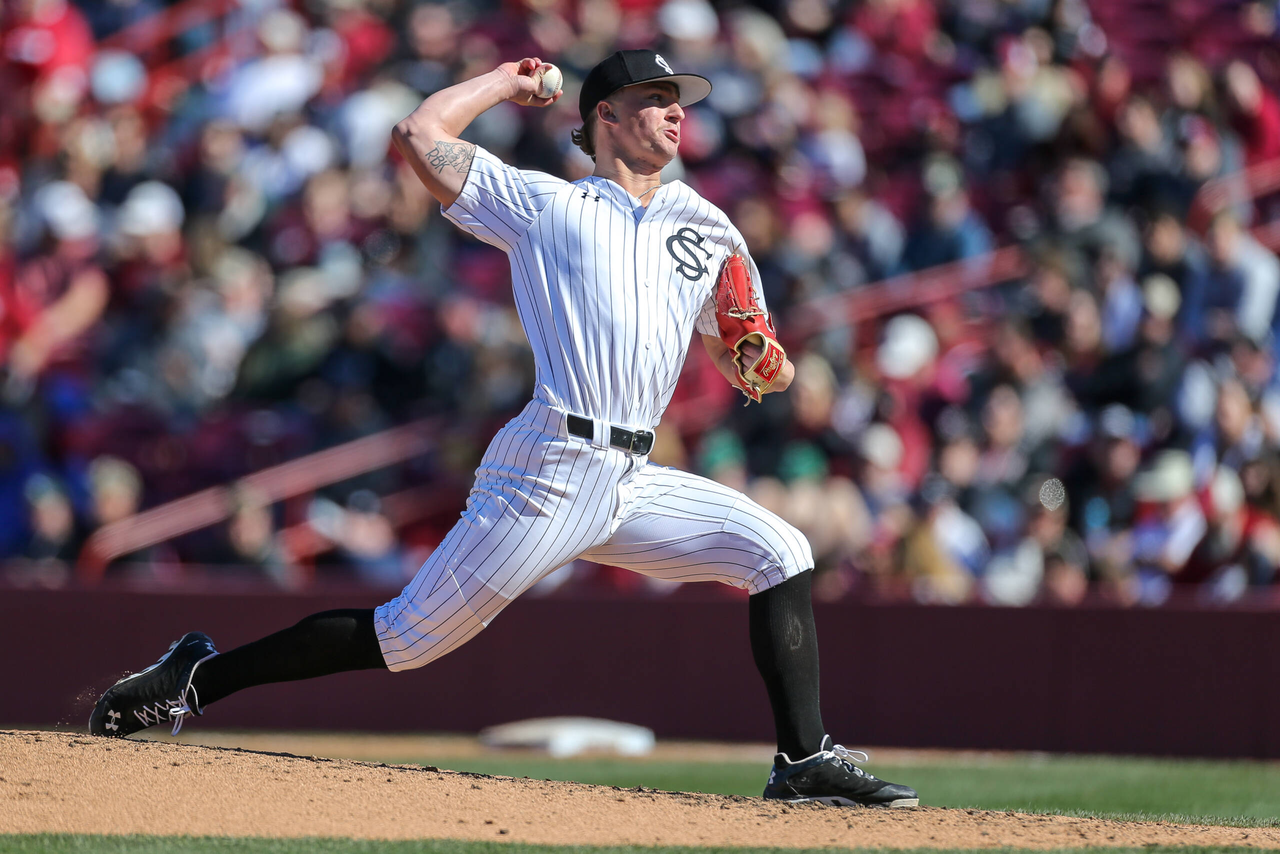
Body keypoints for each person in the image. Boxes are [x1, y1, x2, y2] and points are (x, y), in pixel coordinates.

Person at [88, 50, 918, 809]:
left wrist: (761, 364)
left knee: (782, 552)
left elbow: (754, 354)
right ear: (605, 117)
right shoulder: (543, 205)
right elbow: (419, 134)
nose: (676, 113)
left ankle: (803, 760)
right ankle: (194, 678)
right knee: (407, 639)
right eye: (655, 98)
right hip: (551, 463)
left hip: (633, 477)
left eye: (679, 101)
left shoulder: (709, 227)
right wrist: (503, 83)